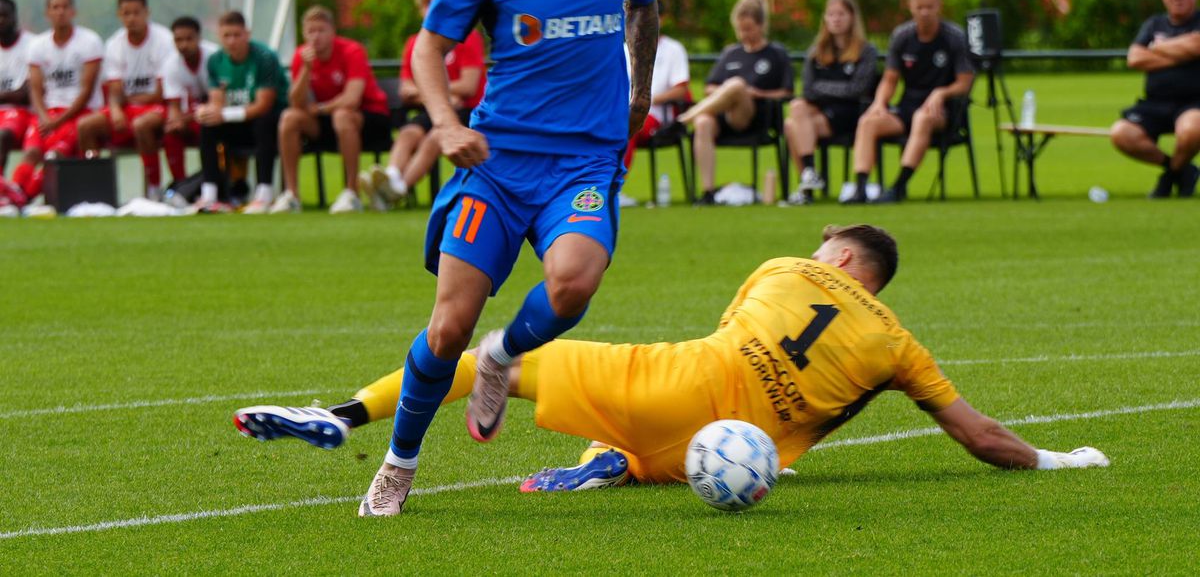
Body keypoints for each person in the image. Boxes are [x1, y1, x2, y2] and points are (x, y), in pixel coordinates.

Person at [233, 224, 1110, 492]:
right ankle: (614, 464)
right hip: (730, 439)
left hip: (674, 380)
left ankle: (342, 416)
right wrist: (1057, 455)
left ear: (838, 258)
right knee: (689, 442)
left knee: (472, 357)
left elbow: (730, 331)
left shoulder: (781, 265)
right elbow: (978, 434)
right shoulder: (898, 344)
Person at [348, 0, 659, 517]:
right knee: (446, 326)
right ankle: (398, 464)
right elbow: (427, 47)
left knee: (575, 281)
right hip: (499, 161)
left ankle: (503, 354)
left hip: (583, 162)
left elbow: (646, 7)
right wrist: (445, 122)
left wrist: (638, 92)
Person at [843, 0, 974, 204]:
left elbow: (965, 81)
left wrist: (941, 92)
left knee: (923, 119)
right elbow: (890, 78)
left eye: (930, 7)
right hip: (908, 106)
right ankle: (860, 188)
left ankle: (898, 187)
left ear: (939, 6)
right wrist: (880, 103)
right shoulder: (902, 36)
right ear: (910, 6)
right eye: (919, 7)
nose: (924, 12)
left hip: (942, 111)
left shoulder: (954, 37)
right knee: (868, 121)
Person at [359, 0, 487, 211]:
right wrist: (441, 94)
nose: (432, 7)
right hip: (434, 107)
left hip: (468, 111)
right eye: (427, 3)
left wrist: (430, 90)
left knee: (436, 137)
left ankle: (396, 190)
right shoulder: (416, 43)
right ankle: (390, 178)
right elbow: (405, 90)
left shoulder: (468, 38)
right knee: (408, 133)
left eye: (437, 2)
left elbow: (469, 86)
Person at [269, 5, 392, 214]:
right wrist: (306, 70)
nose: (315, 37)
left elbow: (352, 99)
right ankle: (292, 195)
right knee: (289, 118)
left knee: (342, 115)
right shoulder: (302, 56)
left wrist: (321, 108)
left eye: (321, 30)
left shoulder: (352, 51)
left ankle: (351, 193)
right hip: (326, 120)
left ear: (333, 31)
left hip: (370, 118)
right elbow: (296, 102)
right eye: (310, 31)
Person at [679, 0, 794, 205]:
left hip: (755, 118)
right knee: (703, 122)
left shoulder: (776, 54)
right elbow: (709, 87)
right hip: (724, 117)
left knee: (738, 84)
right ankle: (708, 193)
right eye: (740, 29)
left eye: (748, 29)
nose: (743, 35)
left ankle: (686, 118)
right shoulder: (731, 53)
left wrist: (756, 93)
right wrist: (728, 92)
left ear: (761, 26)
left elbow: (787, 92)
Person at [2, 0, 103, 207]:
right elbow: (36, 90)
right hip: (47, 114)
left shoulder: (89, 41)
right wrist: (44, 116)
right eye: (55, 7)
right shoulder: (38, 45)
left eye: (65, 7)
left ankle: (20, 199)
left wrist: (60, 120)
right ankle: (16, 193)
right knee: (31, 153)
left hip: (78, 114)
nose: (60, 12)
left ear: (73, 11)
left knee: (54, 156)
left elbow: (86, 91)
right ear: (47, 13)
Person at [1109, 0, 1200, 198]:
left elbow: (1197, 45)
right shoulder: (1153, 24)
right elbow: (1135, 58)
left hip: (1193, 102)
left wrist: (1157, 48)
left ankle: (1170, 176)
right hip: (1155, 104)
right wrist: (1183, 53)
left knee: (1193, 130)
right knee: (1120, 133)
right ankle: (1180, 170)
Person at [76, 0, 174, 199]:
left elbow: (160, 93)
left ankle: (154, 189)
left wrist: (125, 102)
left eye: (136, 13)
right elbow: (115, 89)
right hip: (128, 107)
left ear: (147, 13)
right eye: (126, 13)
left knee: (142, 125)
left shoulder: (163, 39)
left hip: (158, 109)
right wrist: (115, 109)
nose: (131, 18)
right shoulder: (114, 44)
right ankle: (94, 190)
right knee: (86, 126)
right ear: (119, 15)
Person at [783, 0, 878, 205]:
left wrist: (822, 88)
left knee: (793, 123)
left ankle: (807, 183)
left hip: (851, 114)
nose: (835, 19)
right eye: (831, 14)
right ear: (825, 19)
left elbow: (857, 89)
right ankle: (809, 175)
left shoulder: (865, 51)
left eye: (841, 14)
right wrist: (832, 90)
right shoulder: (816, 52)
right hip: (817, 113)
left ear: (852, 17)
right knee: (795, 113)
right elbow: (808, 90)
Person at [193, 10, 288, 213]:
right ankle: (209, 195)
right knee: (208, 125)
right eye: (227, 36)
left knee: (264, 121)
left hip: (273, 123)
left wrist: (224, 114)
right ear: (220, 36)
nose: (232, 41)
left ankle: (264, 194)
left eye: (237, 35)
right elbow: (217, 101)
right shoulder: (216, 61)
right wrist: (207, 111)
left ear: (247, 34)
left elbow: (264, 104)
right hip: (240, 122)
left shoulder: (265, 57)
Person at [618, 13, 691, 207]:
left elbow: (681, 89)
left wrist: (645, 100)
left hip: (658, 116)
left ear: (662, 18)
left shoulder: (674, 50)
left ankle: (613, 188)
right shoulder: (624, 50)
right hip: (622, 111)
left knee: (625, 125)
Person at [158, 16, 219, 200]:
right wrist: (177, 122)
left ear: (199, 38)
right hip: (194, 117)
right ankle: (181, 185)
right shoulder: (171, 65)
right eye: (178, 40)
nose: (183, 45)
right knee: (171, 132)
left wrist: (186, 118)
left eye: (188, 39)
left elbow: (218, 103)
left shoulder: (214, 58)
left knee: (210, 128)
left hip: (217, 117)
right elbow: (174, 108)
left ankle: (222, 183)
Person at [0, 0, 33, 177]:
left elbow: (25, 95)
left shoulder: (32, 44)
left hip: (21, 113)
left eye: (4, 15)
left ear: (15, 17)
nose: (0, 20)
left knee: (1, 135)